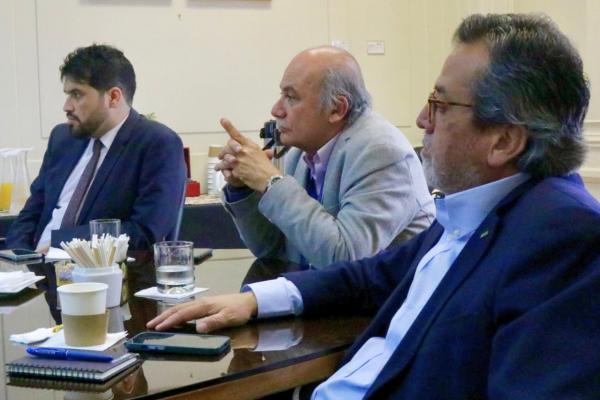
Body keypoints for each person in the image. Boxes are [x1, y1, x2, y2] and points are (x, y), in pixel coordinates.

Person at [149, 13, 600, 399]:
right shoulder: (475, 209)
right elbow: (370, 275)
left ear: (503, 141)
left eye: (439, 104)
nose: (421, 120)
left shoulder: (564, 238)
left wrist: (270, 183)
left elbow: (346, 253)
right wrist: (254, 299)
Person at [216, 46, 435, 267]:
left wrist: (271, 182)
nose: (276, 110)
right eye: (281, 95)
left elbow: (345, 259)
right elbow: (272, 249)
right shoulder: (300, 154)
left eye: (291, 97)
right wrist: (242, 188)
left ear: (337, 109)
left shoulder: (382, 152)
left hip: (386, 291)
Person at [6, 44, 186, 252]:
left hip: (96, 269)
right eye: (67, 94)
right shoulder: (62, 139)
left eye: (77, 94)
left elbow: (144, 232)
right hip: (33, 265)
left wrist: (60, 244)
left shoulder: (156, 143)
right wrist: (19, 258)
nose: (67, 106)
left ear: (113, 97)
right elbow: (31, 214)